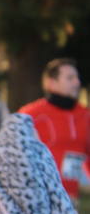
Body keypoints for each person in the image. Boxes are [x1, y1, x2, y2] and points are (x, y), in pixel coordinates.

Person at [18, 58, 89, 201]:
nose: (77, 83)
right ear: (51, 83)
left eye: (77, 78)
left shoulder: (85, 115)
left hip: (71, 200)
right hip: (37, 198)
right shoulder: (30, 115)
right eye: (70, 78)